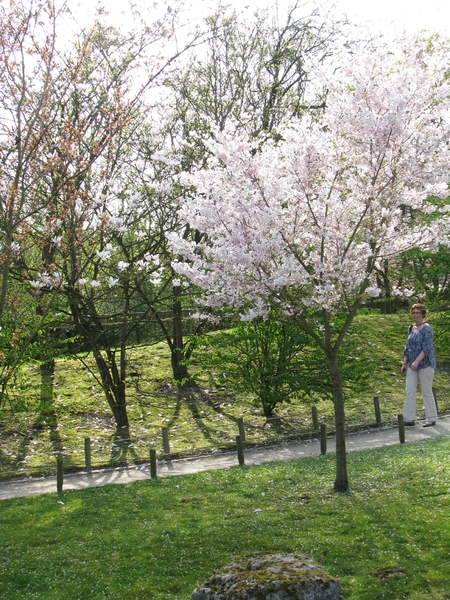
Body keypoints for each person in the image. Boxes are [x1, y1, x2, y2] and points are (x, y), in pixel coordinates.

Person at [401, 303, 437, 427]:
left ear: (423, 314)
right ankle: (409, 418)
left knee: (426, 391)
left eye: (418, 313)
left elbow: (427, 348)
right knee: (410, 391)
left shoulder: (427, 328)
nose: (415, 315)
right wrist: (405, 363)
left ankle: (431, 418)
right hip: (411, 364)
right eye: (414, 313)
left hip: (425, 364)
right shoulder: (411, 328)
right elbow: (408, 347)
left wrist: (417, 361)